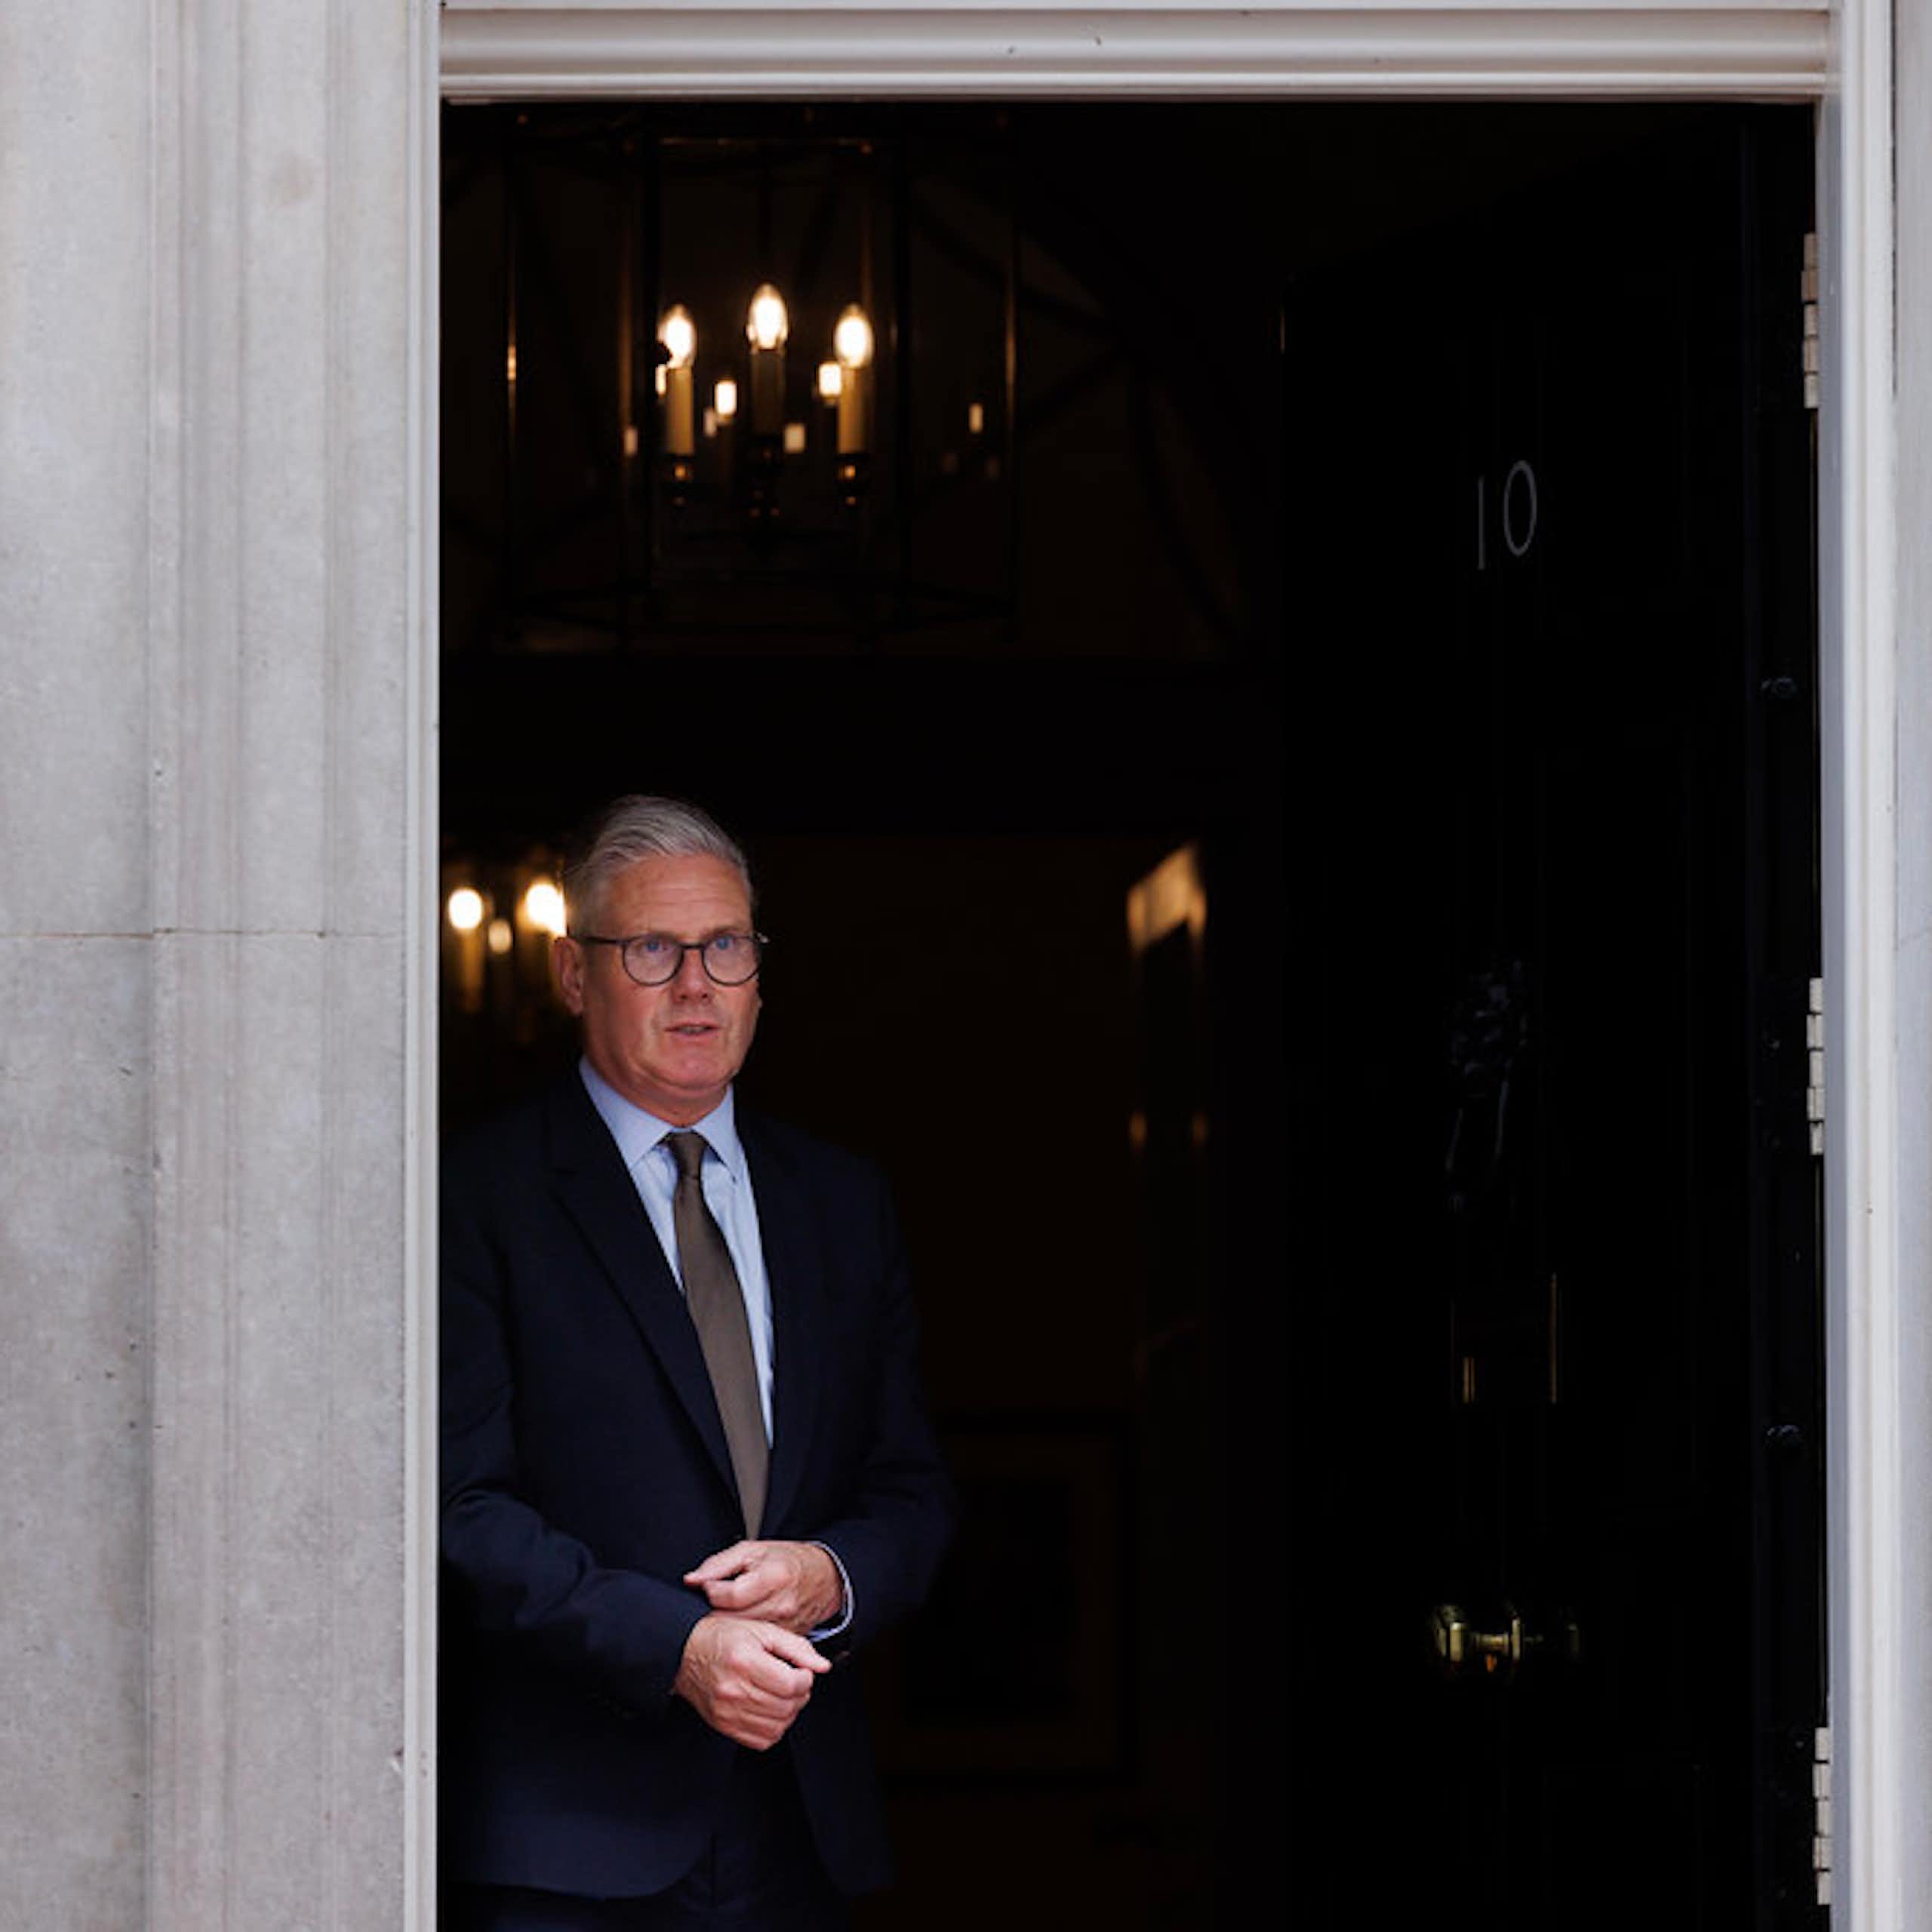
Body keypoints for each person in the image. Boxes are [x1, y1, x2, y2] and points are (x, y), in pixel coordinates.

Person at [440, 796, 953, 1930]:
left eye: (725, 947)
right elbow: (456, 1509)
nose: (695, 986)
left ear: (759, 975)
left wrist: (831, 1576)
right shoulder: (474, 1196)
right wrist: (674, 1647)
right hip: (567, 1844)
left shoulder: (842, 1202)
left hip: (802, 1827)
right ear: (573, 974)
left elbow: (912, 1489)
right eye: (652, 950)